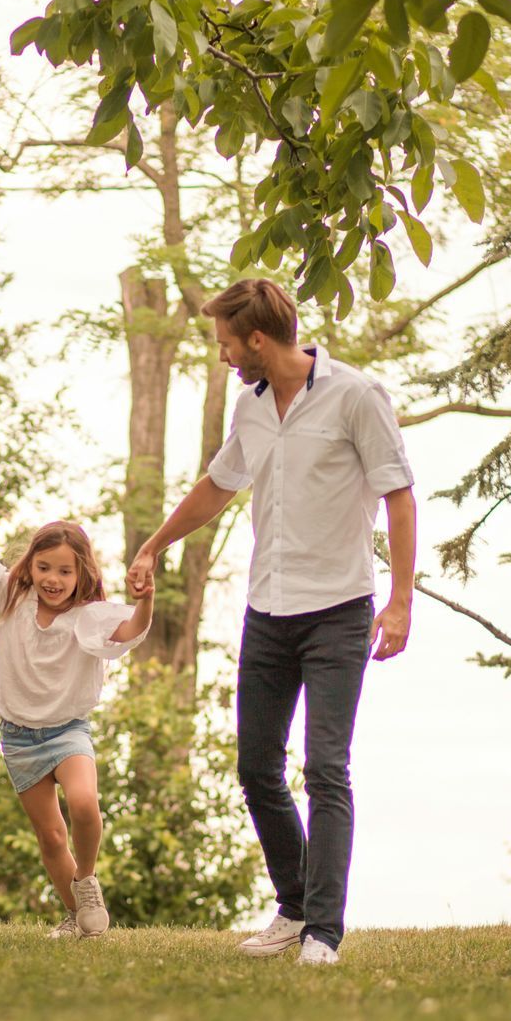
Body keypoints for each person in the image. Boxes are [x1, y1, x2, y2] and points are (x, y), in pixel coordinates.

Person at [127, 279, 416, 966]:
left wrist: (400, 600)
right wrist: (154, 544)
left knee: (325, 769)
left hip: (339, 611)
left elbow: (399, 499)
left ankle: (324, 932)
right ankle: (293, 906)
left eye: (226, 342)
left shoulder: (356, 396)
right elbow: (218, 485)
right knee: (256, 767)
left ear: (256, 338)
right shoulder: (250, 408)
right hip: (268, 611)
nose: (222, 354)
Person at [0, 501, 153, 939]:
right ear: (30, 566)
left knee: (84, 803)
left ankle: (85, 881)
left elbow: (131, 631)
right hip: (18, 737)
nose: (53, 579)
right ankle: (77, 919)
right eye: (44, 567)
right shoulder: (10, 595)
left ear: (82, 575)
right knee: (52, 838)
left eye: (65, 572)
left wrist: (145, 599)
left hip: (67, 731)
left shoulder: (88, 618)